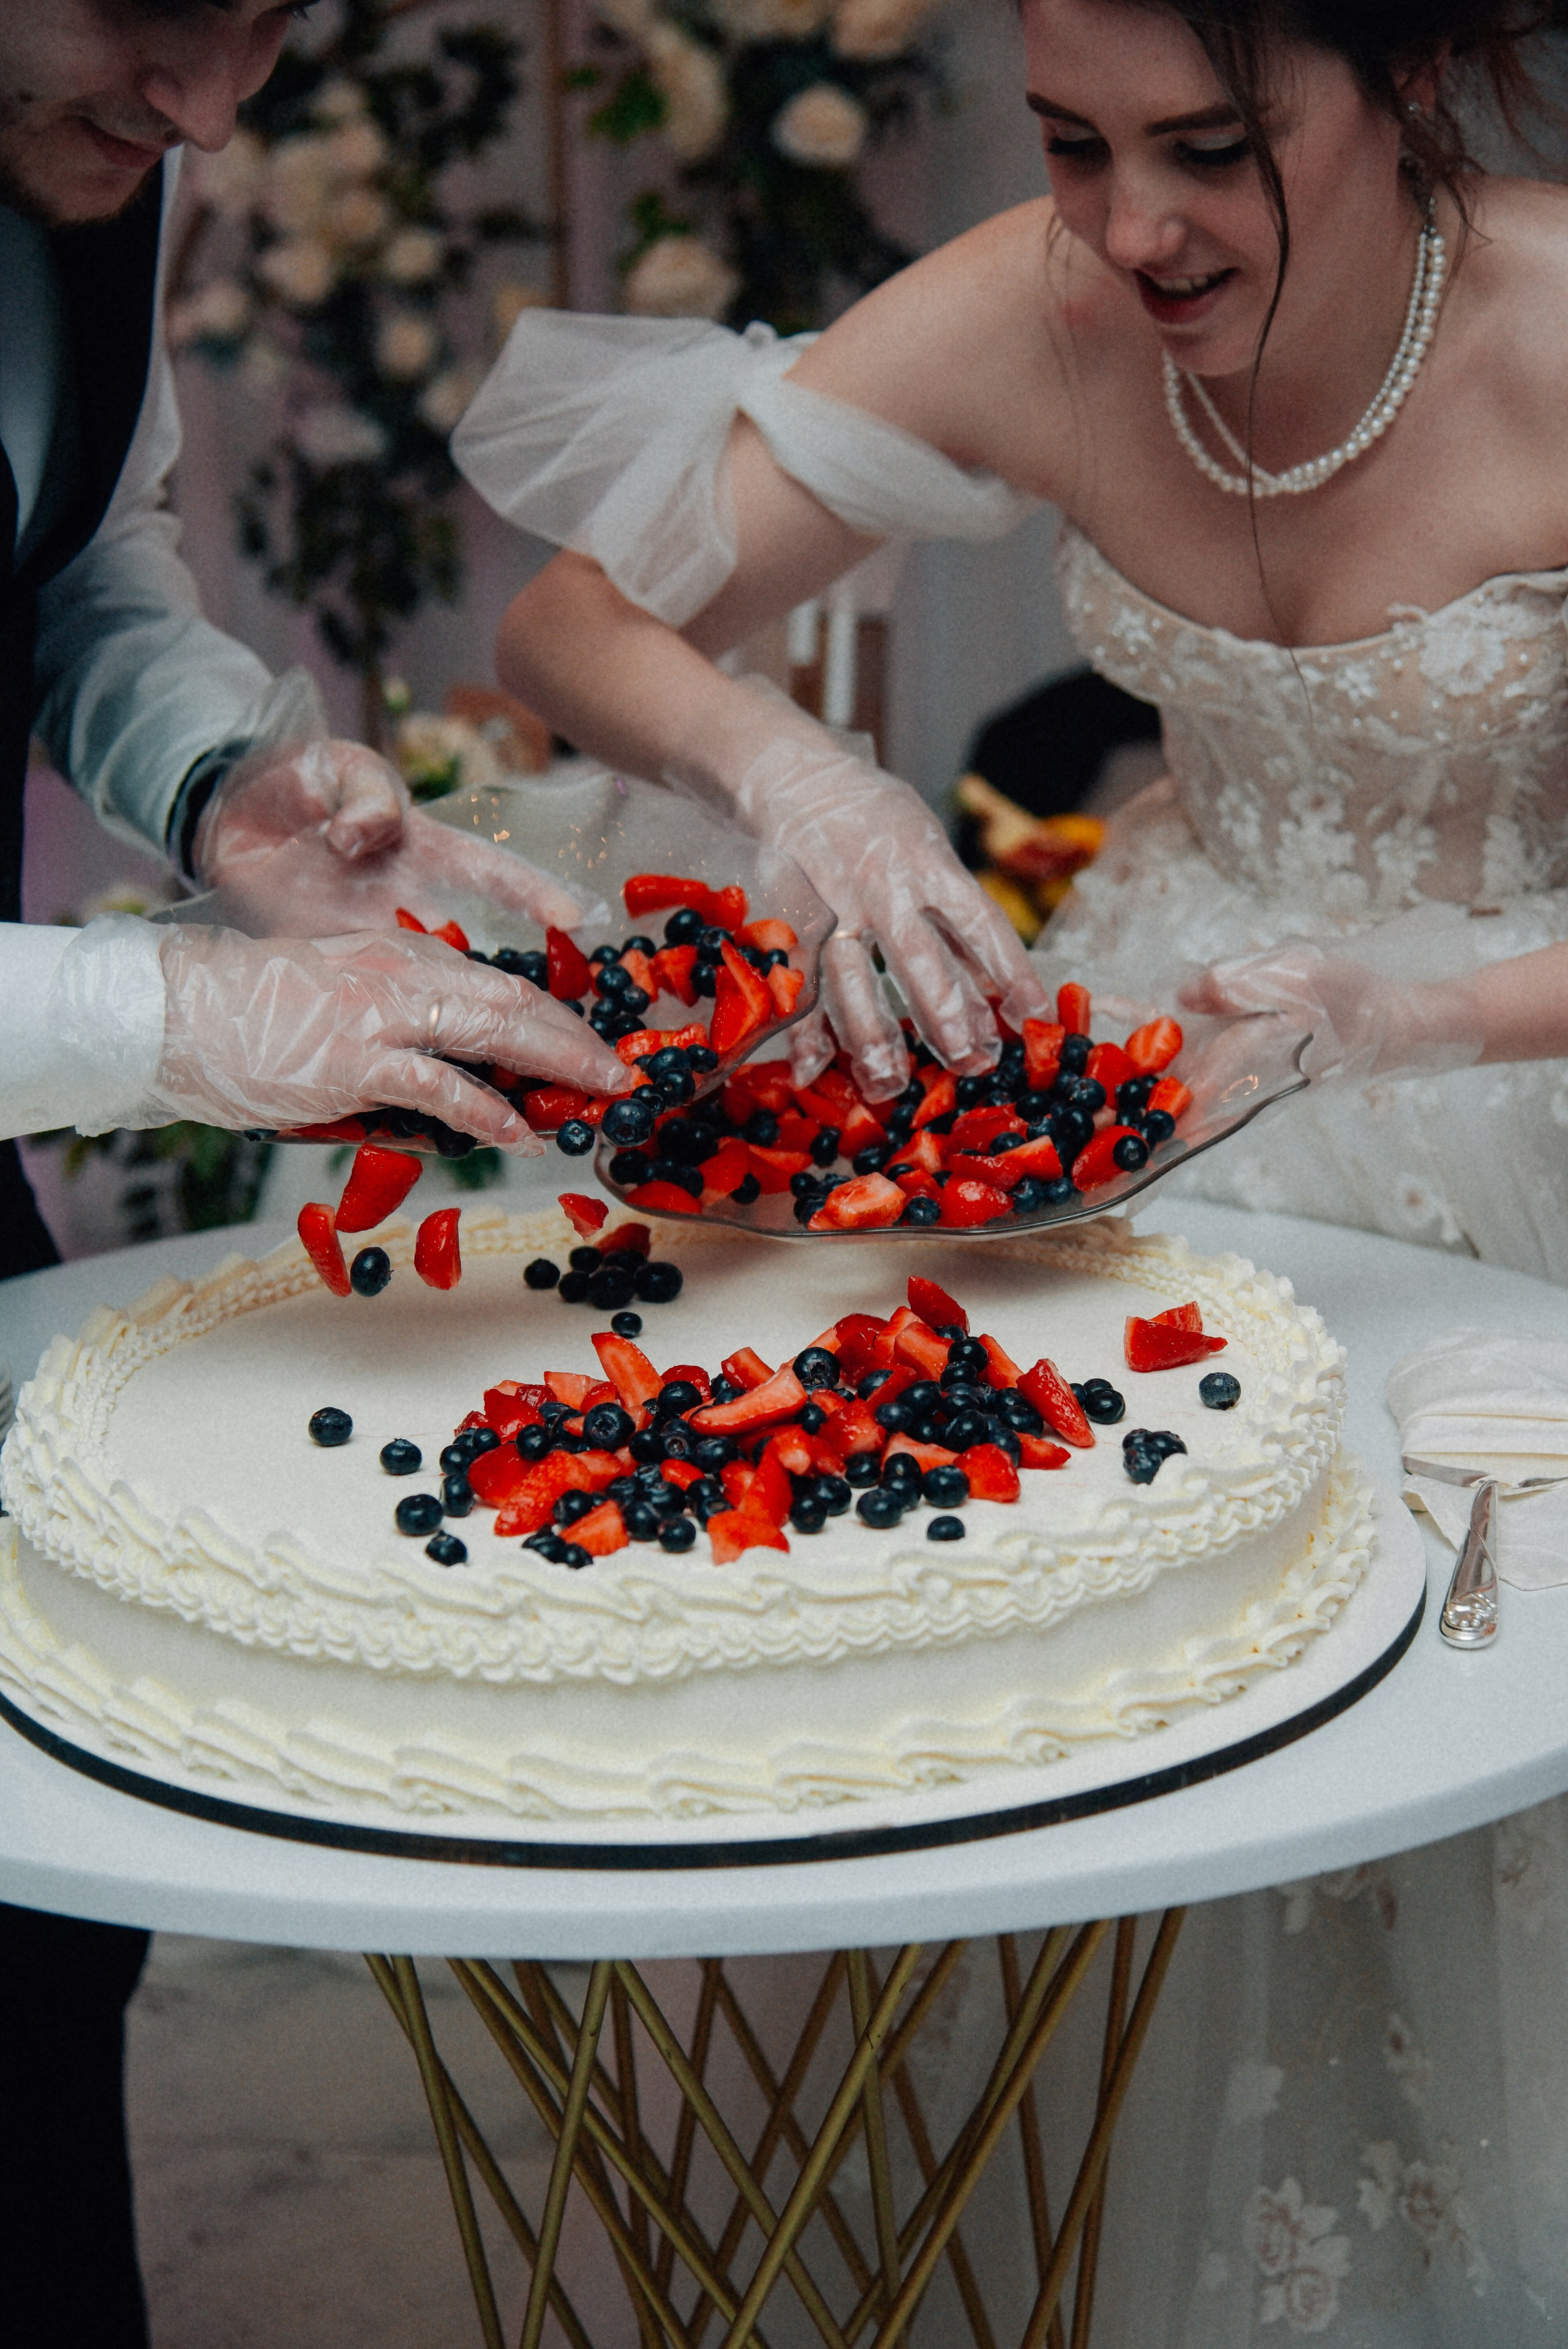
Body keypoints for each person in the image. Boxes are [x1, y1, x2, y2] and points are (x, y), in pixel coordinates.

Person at [451, 0, 1568, 2334]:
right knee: (1123, 1749)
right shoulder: (1044, 306)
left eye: (1214, 149)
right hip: (1170, 1101)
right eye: (1072, 143)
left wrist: (1417, 1009)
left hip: (1520, 1084)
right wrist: (796, 775)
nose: (1132, 227)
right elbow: (569, 620)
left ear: (1408, 95)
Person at [0, 9, 636, 2343]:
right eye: (142, 18)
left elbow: (77, 565)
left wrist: (209, 783)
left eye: (258, 26)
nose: (204, 114)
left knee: (35, 1975)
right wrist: (159, 1019)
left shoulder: (101, 154)